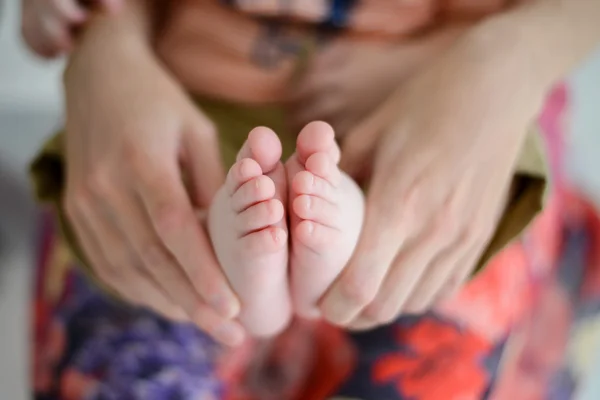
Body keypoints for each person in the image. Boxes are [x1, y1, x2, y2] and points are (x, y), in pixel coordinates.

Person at [23, 0, 600, 398]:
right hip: (191, 93)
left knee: (456, 196)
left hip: (442, 92)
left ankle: (315, 237)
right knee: (186, 201)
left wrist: (464, 63)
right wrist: (80, 23)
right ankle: (249, 264)